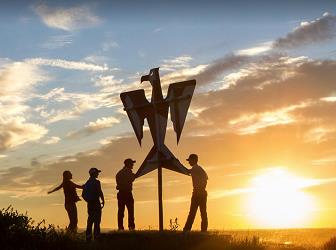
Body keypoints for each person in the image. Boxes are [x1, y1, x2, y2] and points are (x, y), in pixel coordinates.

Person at [183, 154, 208, 232]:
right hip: (201, 193)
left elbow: (186, 171)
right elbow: (206, 177)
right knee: (203, 213)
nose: (189, 162)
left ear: (193, 160)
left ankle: (186, 230)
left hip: (198, 194)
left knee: (193, 213)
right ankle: (203, 231)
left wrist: (176, 163)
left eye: (189, 160)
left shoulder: (195, 168)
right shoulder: (198, 169)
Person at [82, 167, 105, 241]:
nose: (98, 174)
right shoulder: (97, 182)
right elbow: (100, 192)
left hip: (90, 204)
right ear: (94, 173)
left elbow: (83, 195)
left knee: (90, 220)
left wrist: (88, 200)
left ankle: (88, 237)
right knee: (97, 220)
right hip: (96, 203)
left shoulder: (87, 183)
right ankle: (96, 236)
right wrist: (103, 200)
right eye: (97, 173)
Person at [115, 158, 136, 230]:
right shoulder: (128, 171)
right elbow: (131, 179)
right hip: (127, 193)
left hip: (120, 193)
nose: (133, 165)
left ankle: (120, 227)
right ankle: (131, 227)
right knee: (130, 211)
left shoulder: (119, 173)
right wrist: (134, 175)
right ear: (128, 164)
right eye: (132, 163)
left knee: (121, 211)